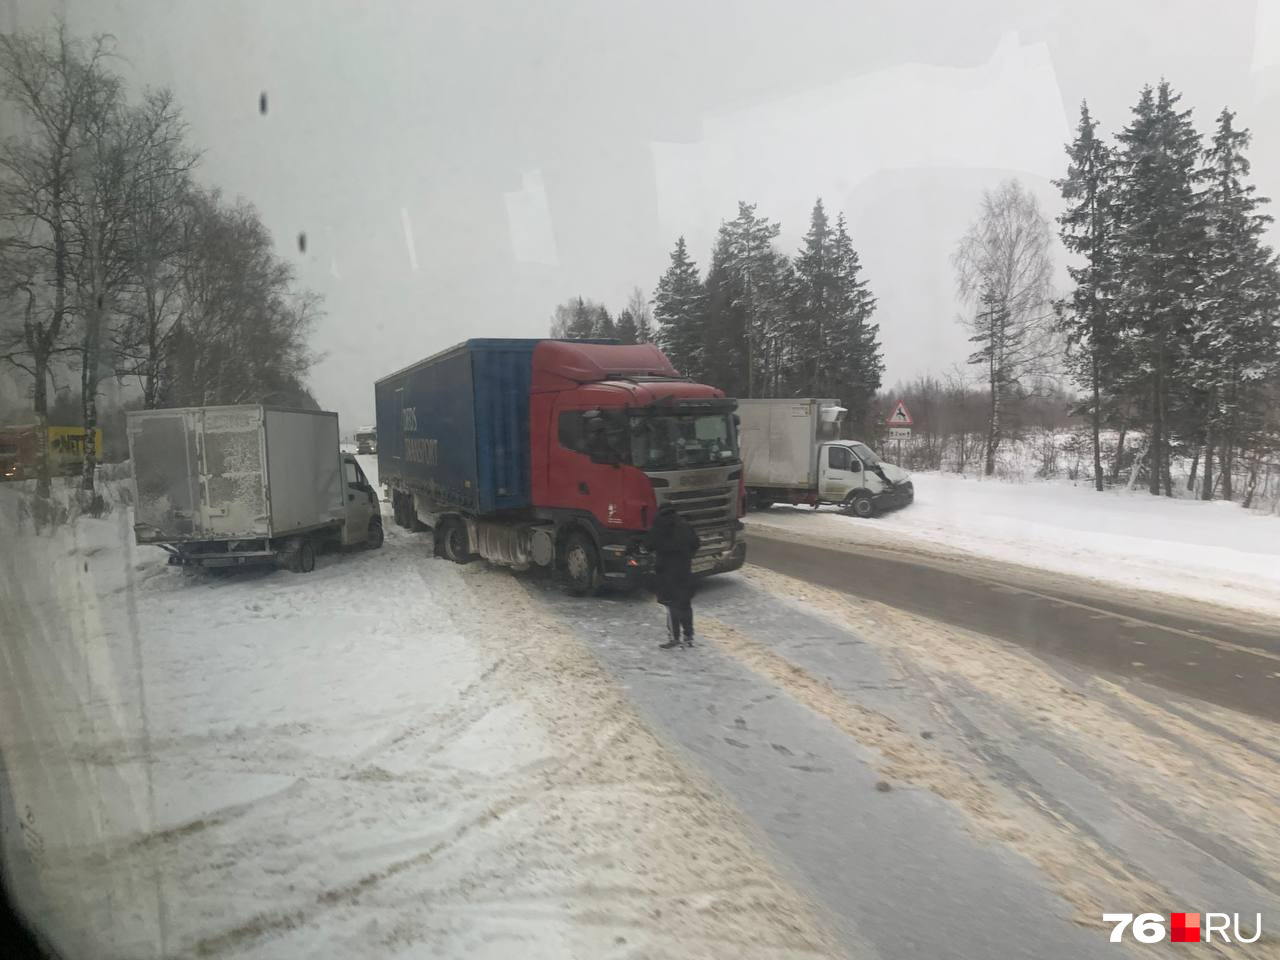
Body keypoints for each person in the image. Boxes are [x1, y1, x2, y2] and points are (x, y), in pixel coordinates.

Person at [645, 505, 701, 649]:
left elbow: (649, 546)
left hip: (666, 572)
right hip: (684, 570)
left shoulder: (658, 527)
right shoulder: (685, 526)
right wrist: (688, 556)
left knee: (671, 605)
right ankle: (688, 636)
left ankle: (674, 638)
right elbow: (696, 544)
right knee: (685, 604)